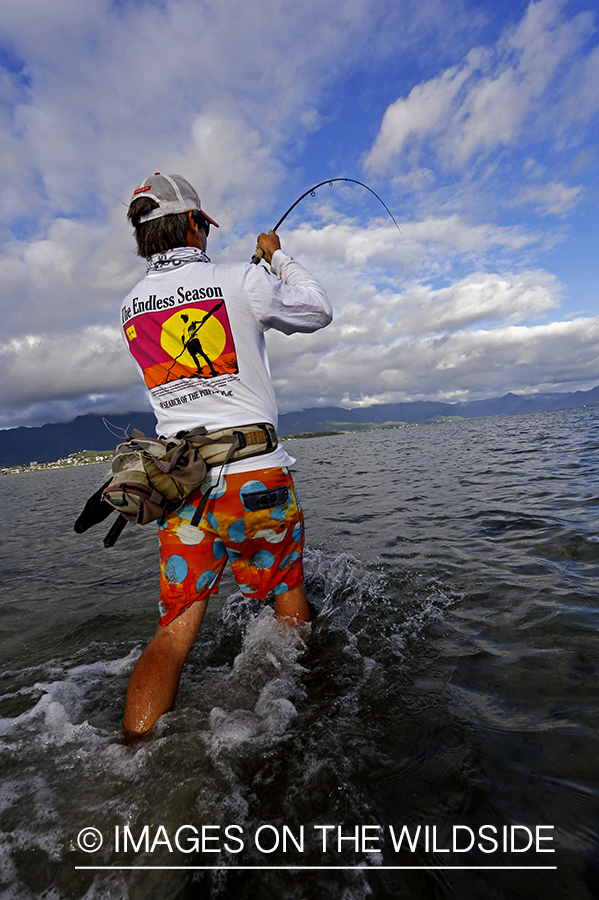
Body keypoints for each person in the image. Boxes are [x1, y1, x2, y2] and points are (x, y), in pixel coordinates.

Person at [120, 173, 332, 738]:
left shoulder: (130, 308)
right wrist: (275, 260)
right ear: (193, 223)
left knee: (172, 632)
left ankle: (132, 754)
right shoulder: (240, 279)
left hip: (180, 489)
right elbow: (317, 310)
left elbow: (191, 312)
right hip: (253, 480)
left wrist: (243, 282)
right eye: (204, 225)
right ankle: (303, 724)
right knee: (288, 601)